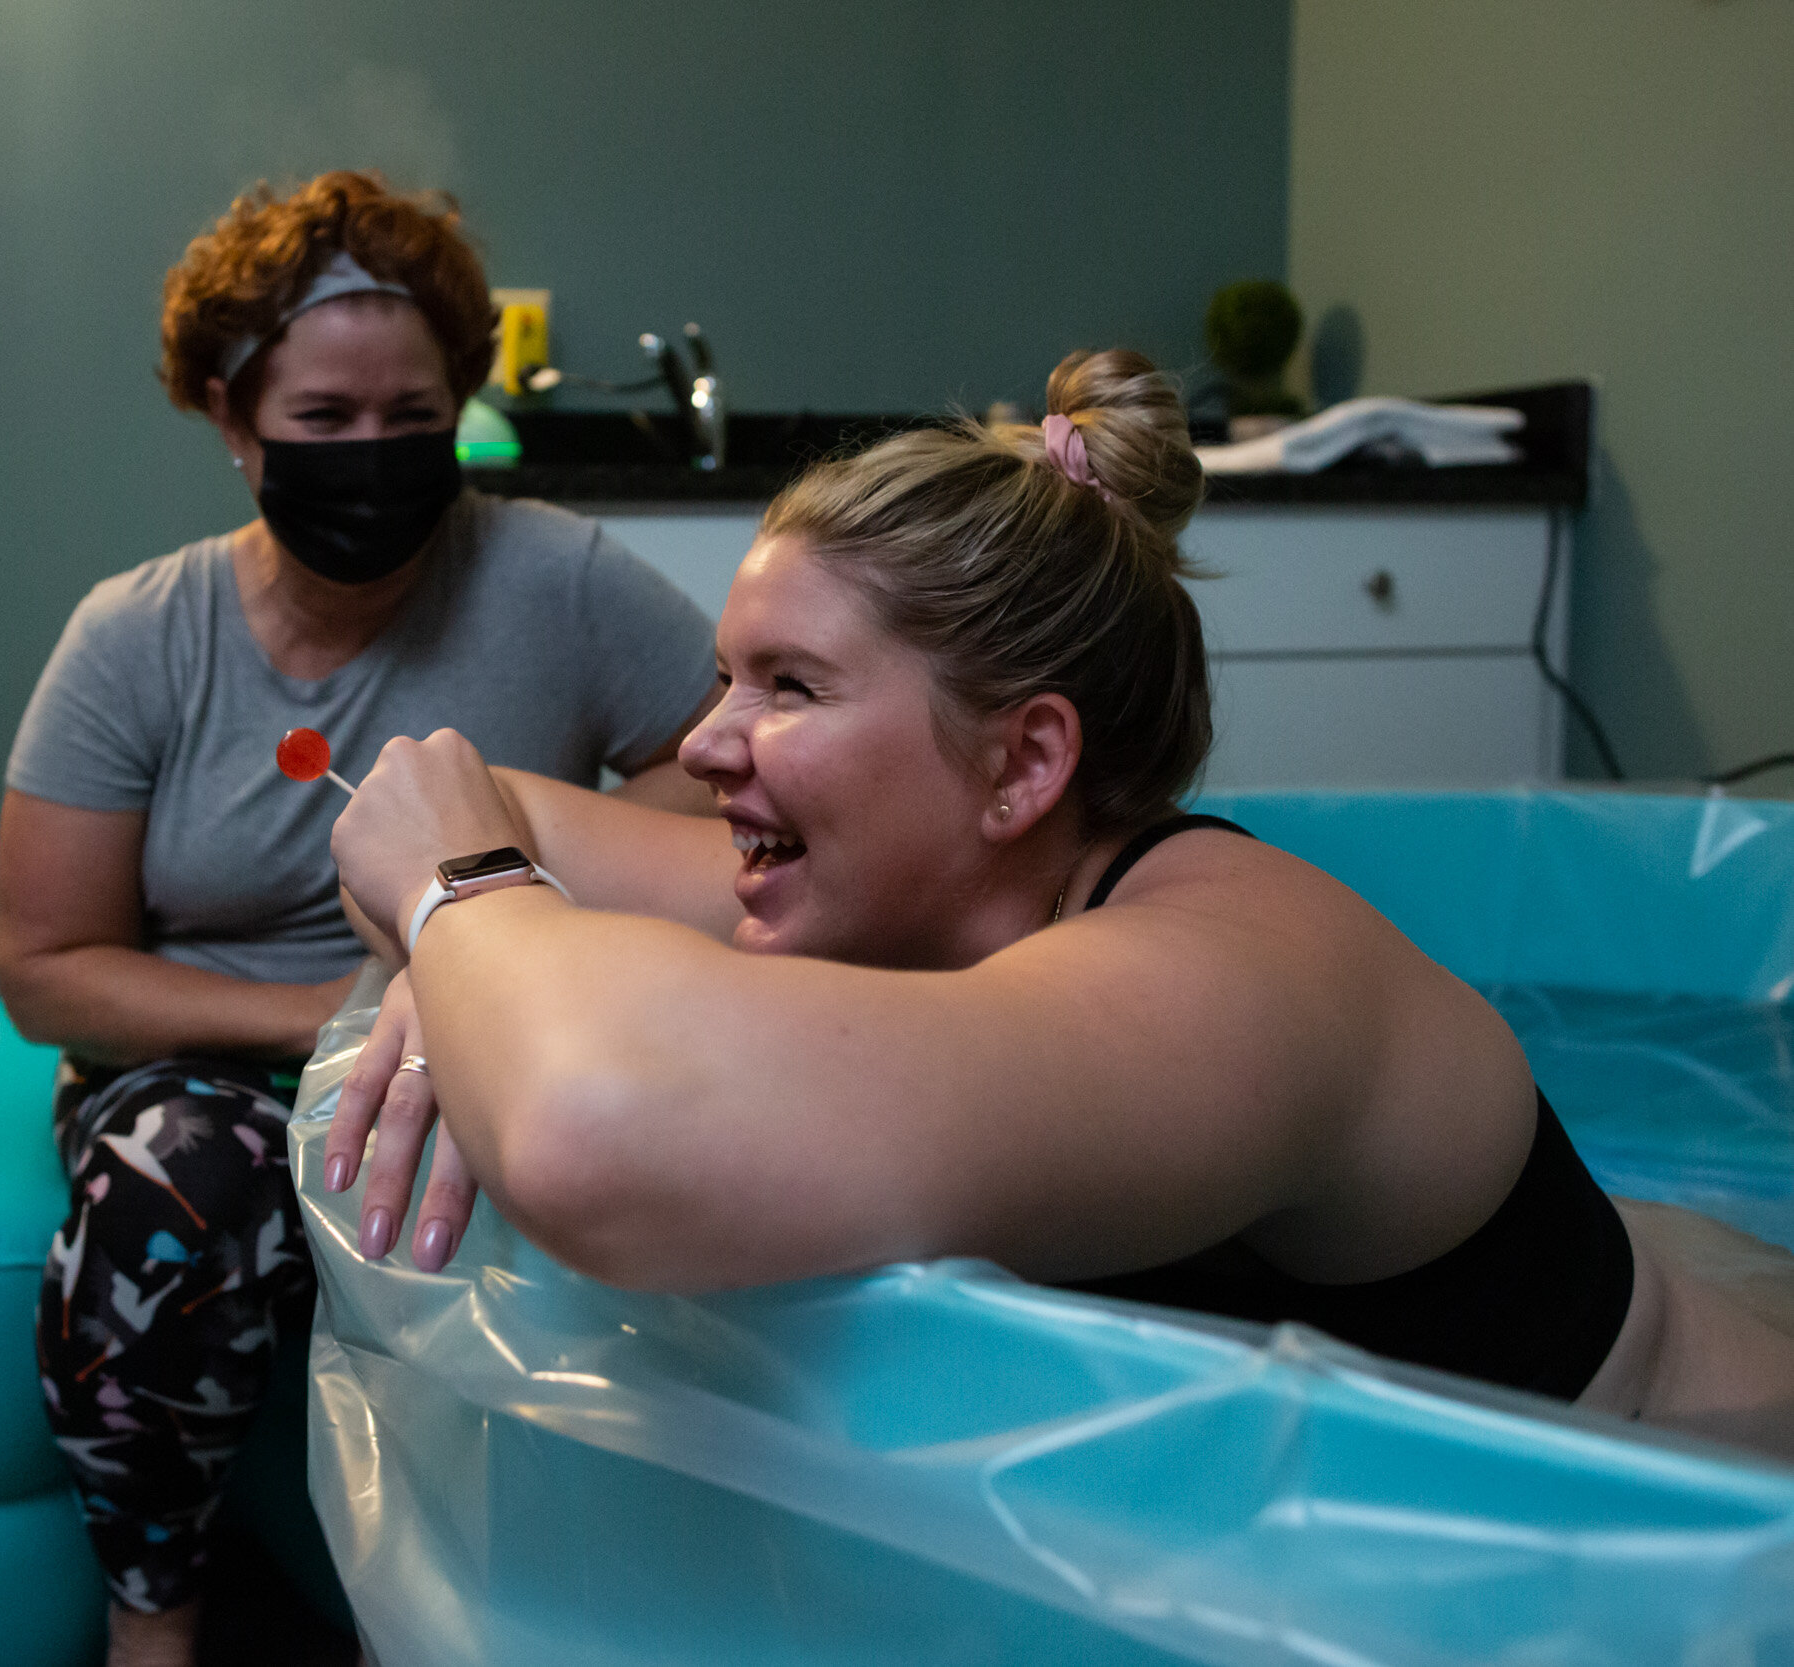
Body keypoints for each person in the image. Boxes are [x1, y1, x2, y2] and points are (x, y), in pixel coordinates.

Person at [321, 347, 1794, 1453]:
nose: (703, 745)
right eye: (725, 675)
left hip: (1709, 1510)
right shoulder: (919, 886)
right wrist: (463, 958)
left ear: (1023, 764)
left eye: (790, 687)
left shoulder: (1226, 981)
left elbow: (597, 1124)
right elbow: (461, 801)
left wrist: (464, 919)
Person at [0, 170, 719, 1666]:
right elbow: (47, 973)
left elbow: (720, 779)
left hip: (492, 1036)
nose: (375, 455)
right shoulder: (137, 640)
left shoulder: (558, 578)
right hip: (212, 1079)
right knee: (179, 1190)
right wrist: (338, 1006)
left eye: (414, 414)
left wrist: (516, 926)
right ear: (228, 416)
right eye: (324, 423)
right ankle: (157, 1620)